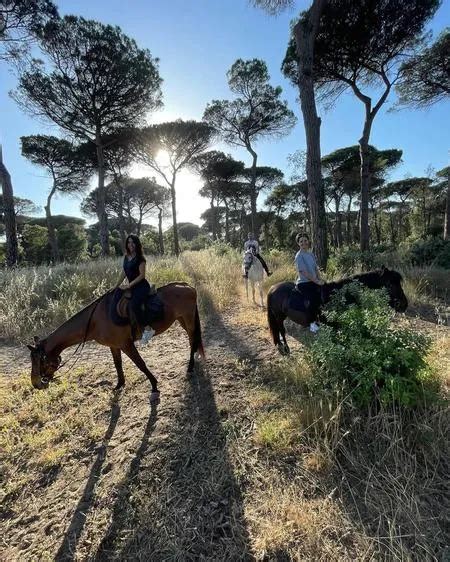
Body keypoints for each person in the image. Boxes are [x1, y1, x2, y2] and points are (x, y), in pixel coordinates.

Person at [114, 234, 155, 345]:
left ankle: (148, 329)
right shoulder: (126, 257)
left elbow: (142, 275)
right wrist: (116, 285)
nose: (131, 244)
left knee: (134, 305)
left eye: (133, 242)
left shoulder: (140, 258)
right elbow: (124, 272)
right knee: (116, 297)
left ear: (137, 244)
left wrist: (128, 285)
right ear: (126, 244)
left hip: (141, 287)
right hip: (131, 286)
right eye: (129, 242)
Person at [294, 233, 323, 333]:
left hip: (314, 281)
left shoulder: (310, 254)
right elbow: (303, 272)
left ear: (308, 241)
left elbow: (315, 268)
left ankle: (322, 319)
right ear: (298, 243)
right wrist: (316, 281)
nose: (303, 243)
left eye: (305, 240)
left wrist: (320, 279)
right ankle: (312, 324)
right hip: (304, 283)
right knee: (312, 300)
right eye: (301, 241)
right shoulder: (299, 256)